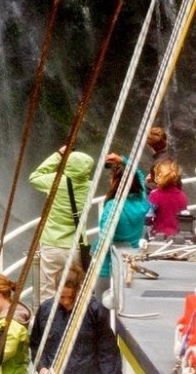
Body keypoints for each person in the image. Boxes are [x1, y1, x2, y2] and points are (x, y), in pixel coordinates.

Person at [30, 264, 122, 374]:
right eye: (61, 297)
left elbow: (108, 352)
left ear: (79, 289)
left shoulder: (94, 311)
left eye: (71, 297)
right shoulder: (45, 310)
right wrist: (42, 367)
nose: (66, 302)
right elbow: (37, 345)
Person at [29, 145, 95, 300]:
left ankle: (50, 322)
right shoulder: (90, 187)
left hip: (52, 245)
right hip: (77, 247)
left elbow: (34, 177)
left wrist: (58, 155)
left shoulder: (55, 181)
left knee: (48, 290)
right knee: (75, 288)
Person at [93, 161, 150, 298]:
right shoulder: (142, 201)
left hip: (108, 267)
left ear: (115, 181)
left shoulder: (113, 206)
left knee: (103, 308)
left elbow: (105, 239)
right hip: (131, 263)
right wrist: (122, 160)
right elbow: (140, 175)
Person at [106, 126, 180, 190]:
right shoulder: (172, 161)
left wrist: (146, 184)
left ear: (149, 146)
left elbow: (155, 189)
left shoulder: (157, 165)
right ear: (165, 141)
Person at [148, 159, 188, 238]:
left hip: (160, 237)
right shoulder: (182, 195)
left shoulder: (155, 195)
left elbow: (148, 218)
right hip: (178, 237)